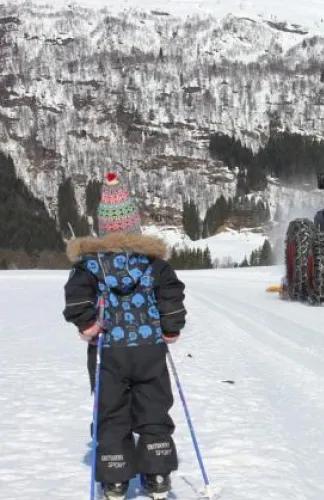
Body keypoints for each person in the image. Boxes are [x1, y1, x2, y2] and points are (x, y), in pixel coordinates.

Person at [63, 172, 187, 500]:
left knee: (111, 412)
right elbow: (171, 295)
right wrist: (170, 327)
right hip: (149, 349)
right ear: (134, 225)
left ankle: (115, 480)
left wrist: (87, 324)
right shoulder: (154, 263)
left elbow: (76, 296)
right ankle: (157, 473)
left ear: (103, 227)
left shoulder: (90, 265)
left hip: (109, 352)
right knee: (153, 408)